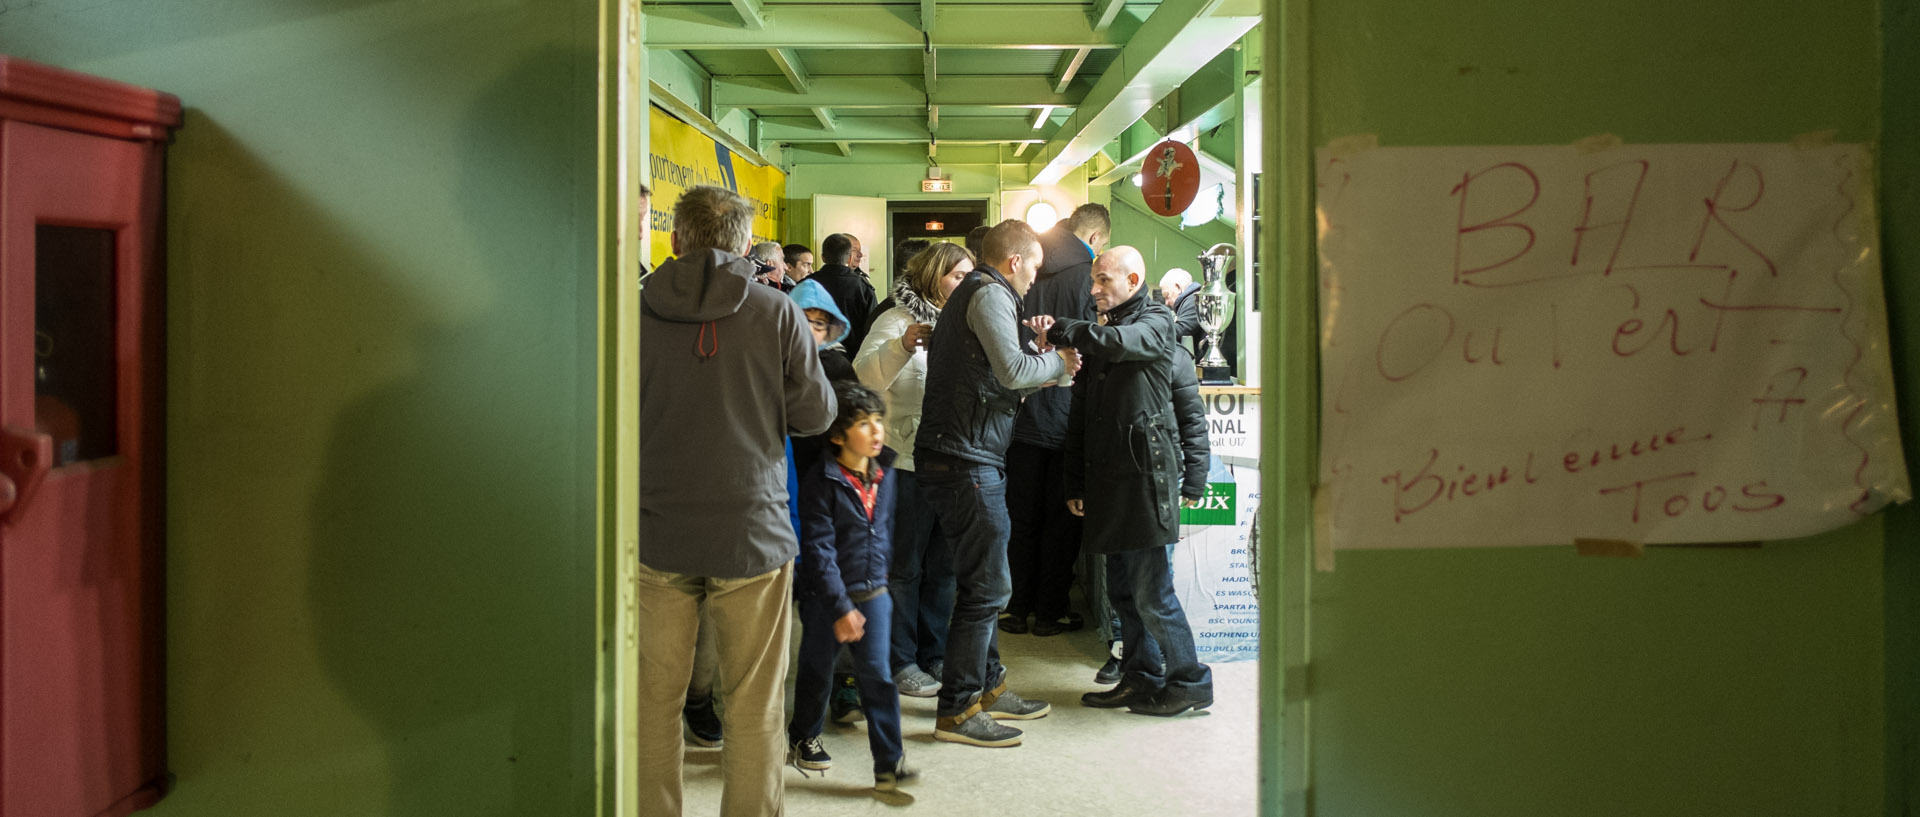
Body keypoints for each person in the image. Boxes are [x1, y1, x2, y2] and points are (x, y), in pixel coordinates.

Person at [637, 184, 836, 817]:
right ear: (747, 247)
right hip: (751, 530)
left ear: (674, 239)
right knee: (754, 706)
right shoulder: (776, 312)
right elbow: (814, 415)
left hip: (652, 531)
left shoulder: (629, 307)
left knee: (650, 707)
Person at [915, 219, 1080, 748]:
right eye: (1034, 267)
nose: (1035, 278)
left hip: (966, 452)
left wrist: (1046, 366)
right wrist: (1057, 360)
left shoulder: (985, 294)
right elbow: (1010, 372)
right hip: (964, 458)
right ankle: (959, 710)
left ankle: (987, 686)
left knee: (979, 581)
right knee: (989, 586)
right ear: (1015, 261)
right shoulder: (990, 294)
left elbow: (996, 379)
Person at [1039, 245, 1214, 718]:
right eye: (1093, 281)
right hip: (1108, 480)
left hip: (1143, 481)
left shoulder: (1155, 323)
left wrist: (1069, 329)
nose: (1094, 290)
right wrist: (1075, 482)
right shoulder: (1105, 331)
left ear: (1133, 281)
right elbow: (1082, 416)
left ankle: (1190, 682)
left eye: (1104, 281)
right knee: (1123, 593)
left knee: (1153, 594)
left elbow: (1188, 416)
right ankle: (1141, 677)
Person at [854, 242, 975, 699]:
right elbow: (863, 379)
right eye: (956, 276)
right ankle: (900, 658)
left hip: (953, 460)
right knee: (904, 567)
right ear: (932, 277)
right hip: (903, 461)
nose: (965, 284)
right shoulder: (894, 320)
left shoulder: (967, 323)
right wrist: (902, 346)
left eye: (969, 276)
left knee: (943, 566)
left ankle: (935, 652)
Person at [786, 382, 920, 793]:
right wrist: (841, 607)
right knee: (817, 671)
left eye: (878, 420)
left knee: (878, 678)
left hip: (874, 590)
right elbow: (820, 551)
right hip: (826, 596)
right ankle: (803, 736)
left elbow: (884, 532)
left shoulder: (886, 473)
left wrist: (879, 584)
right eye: (864, 423)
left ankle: (888, 764)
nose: (877, 430)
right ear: (838, 435)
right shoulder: (820, 481)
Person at [1002, 203, 1107, 636]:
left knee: (1021, 517)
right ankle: (1051, 612)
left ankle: (1016, 607)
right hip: (1068, 417)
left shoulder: (1023, 265)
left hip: (1020, 411)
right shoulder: (1090, 276)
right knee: (1062, 519)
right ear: (1096, 238)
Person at [812, 233, 878, 356]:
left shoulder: (807, 284)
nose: (860, 255)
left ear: (823, 258)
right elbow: (872, 328)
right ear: (848, 257)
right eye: (855, 251)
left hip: (813, 358)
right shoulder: (863, 287)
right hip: (852, 358)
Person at [1161, 268, 1205, 358]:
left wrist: (1153, 328)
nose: (1166, 303)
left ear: (1178, 288)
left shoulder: (1194, 299)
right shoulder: (1190, 300)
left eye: (1167, 296)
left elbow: (1182, 330)